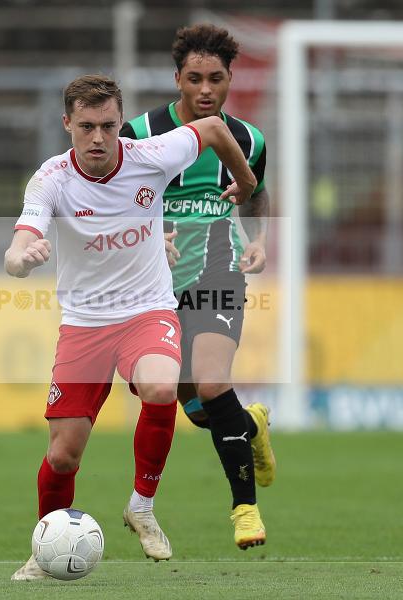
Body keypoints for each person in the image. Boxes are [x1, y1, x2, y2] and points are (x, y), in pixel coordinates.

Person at [6, 74, 256, 580]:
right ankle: (44, 546)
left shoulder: (150, 156)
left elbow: (212, 127)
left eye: (108, 125)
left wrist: (246, 182)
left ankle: (142, 505)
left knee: (162, 386)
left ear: (121, 122)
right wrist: (21, 260)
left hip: (147, 311)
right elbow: (19, 244)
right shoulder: (51, 178)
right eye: (87, 127)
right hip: (84, 324)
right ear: (67, 124)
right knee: (63, 455)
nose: (98, 137)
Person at [120, 23, 275, 550]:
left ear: (231, 78)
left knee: (211, 383)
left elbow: (256, 191)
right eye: (194, 79)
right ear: (177, 80)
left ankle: (245, 510)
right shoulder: (140, 133)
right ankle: (250, 426)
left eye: (215, 79)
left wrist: (259, 239)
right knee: (188, 400)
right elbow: (114, 198)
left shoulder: (248, 138)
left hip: (218, 270)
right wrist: (146, 235)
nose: (205, 90)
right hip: (152, 283)